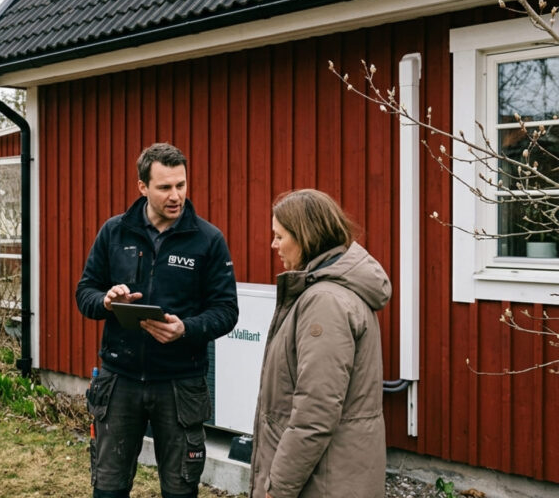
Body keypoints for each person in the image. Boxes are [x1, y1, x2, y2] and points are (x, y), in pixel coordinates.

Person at [76, 142, 239, 498]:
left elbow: (226, 311)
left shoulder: (208, 240)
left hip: (180, 385)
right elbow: (84, 293)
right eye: (165, 187)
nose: (176, 195)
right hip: (120, 380)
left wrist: (186, 329)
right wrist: (105, 301)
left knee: (181, 488)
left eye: (181, 184)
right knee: (108, 487)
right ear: (142, 187)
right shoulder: (114, 232)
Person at [250, 189, 391, 498]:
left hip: (325, 482)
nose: (274, 245)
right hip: (331, 474)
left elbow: (316, 411)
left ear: (306, 237)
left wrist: (279, 487)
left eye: (280, 236)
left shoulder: (325, 302)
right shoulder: (326, 292)